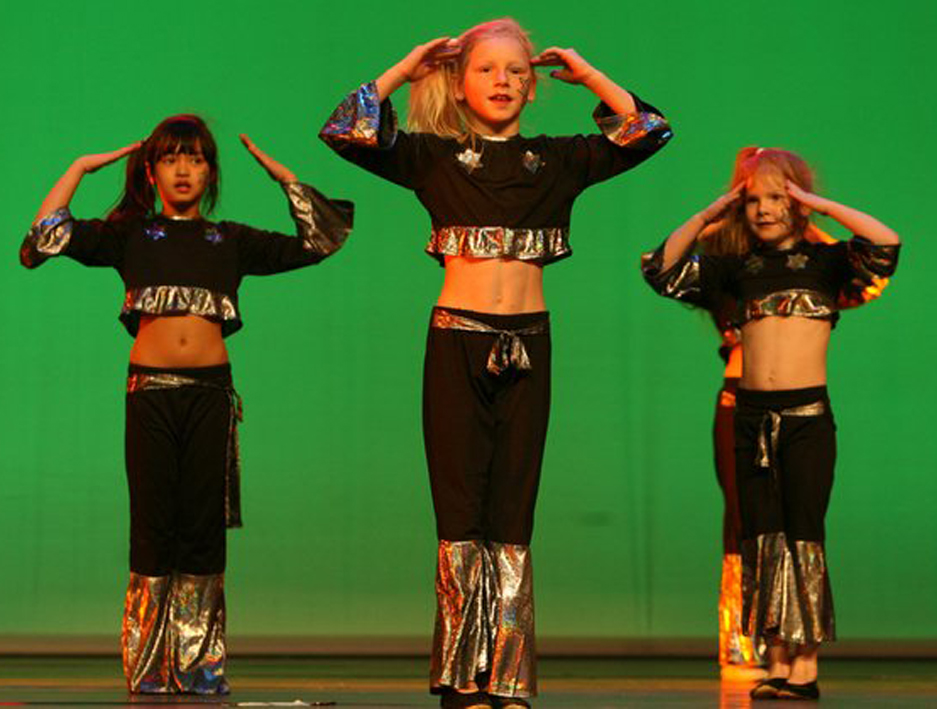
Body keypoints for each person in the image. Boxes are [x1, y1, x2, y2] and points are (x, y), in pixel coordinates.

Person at [320, 17, 672, 709]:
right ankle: (461, 676)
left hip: (529, 342)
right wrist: (408, 66)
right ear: (459, 83)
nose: (503, 81)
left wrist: (589, 75)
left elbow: (650, 130)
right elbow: (342, 130)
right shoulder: (434, 157)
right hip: (458, 340)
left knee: (512, 510)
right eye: (485, 69)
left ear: (534, 86)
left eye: (516, 70)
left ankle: (505, 676)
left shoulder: (558, 159)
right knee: (460, 509)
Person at [20, 115, 353, 694]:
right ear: (151, 172)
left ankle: (200, 667)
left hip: (210, 396)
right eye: (171, 158)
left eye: (195, 159)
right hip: (151, 394)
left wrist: (284, 179)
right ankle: (150, 667)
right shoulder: (131, 236)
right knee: (153, 526)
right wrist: (79, 168)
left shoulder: (230, 240)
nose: (183, 170)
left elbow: (321, 240)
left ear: (210, 173)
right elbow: (41, 242)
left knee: (201, 529)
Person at [641, 147, 900, 700]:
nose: (764, 209)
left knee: (803, 533)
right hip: (751, 418)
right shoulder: (738, 269)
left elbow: (885, 242)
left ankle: (805, 666)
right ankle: (777, 660)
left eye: (777, 197)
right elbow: (660, 267)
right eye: (754, 199)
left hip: (806, 419)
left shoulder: (827, 264)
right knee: (762, 537)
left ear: (798, 201)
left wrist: (819, 206)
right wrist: (711, 212)